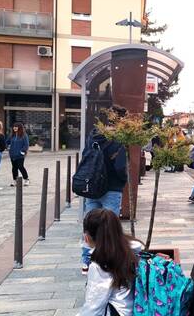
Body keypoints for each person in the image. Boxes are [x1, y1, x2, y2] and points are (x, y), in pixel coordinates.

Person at [81, 106, 128, 274]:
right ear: (121, 119)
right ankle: (107, 261)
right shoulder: (119, 138)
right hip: (112, 186)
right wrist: (123, 180)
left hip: (93, 185)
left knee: (89, 223)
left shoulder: (94, 134)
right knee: (110, 226)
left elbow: (86, 155)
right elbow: (120, 165)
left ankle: (87, 261)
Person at [78, 209, 137, 316]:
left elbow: (94, 306)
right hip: (136, 309)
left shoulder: (100, 264)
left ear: (87, 237)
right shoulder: (133, 248)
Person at [7, 122, 30, 186]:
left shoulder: (24, 135)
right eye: (14, 126)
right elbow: (7, 142)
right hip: (12, 154)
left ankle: (26, 179)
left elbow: (26, 145)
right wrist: (7, 146)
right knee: (14, 168)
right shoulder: (12, 135)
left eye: (16, 126)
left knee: (20, 166)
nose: (14, 128)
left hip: (20, 155)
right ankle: (15, 180)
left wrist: (22, 151)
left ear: (20, 127)